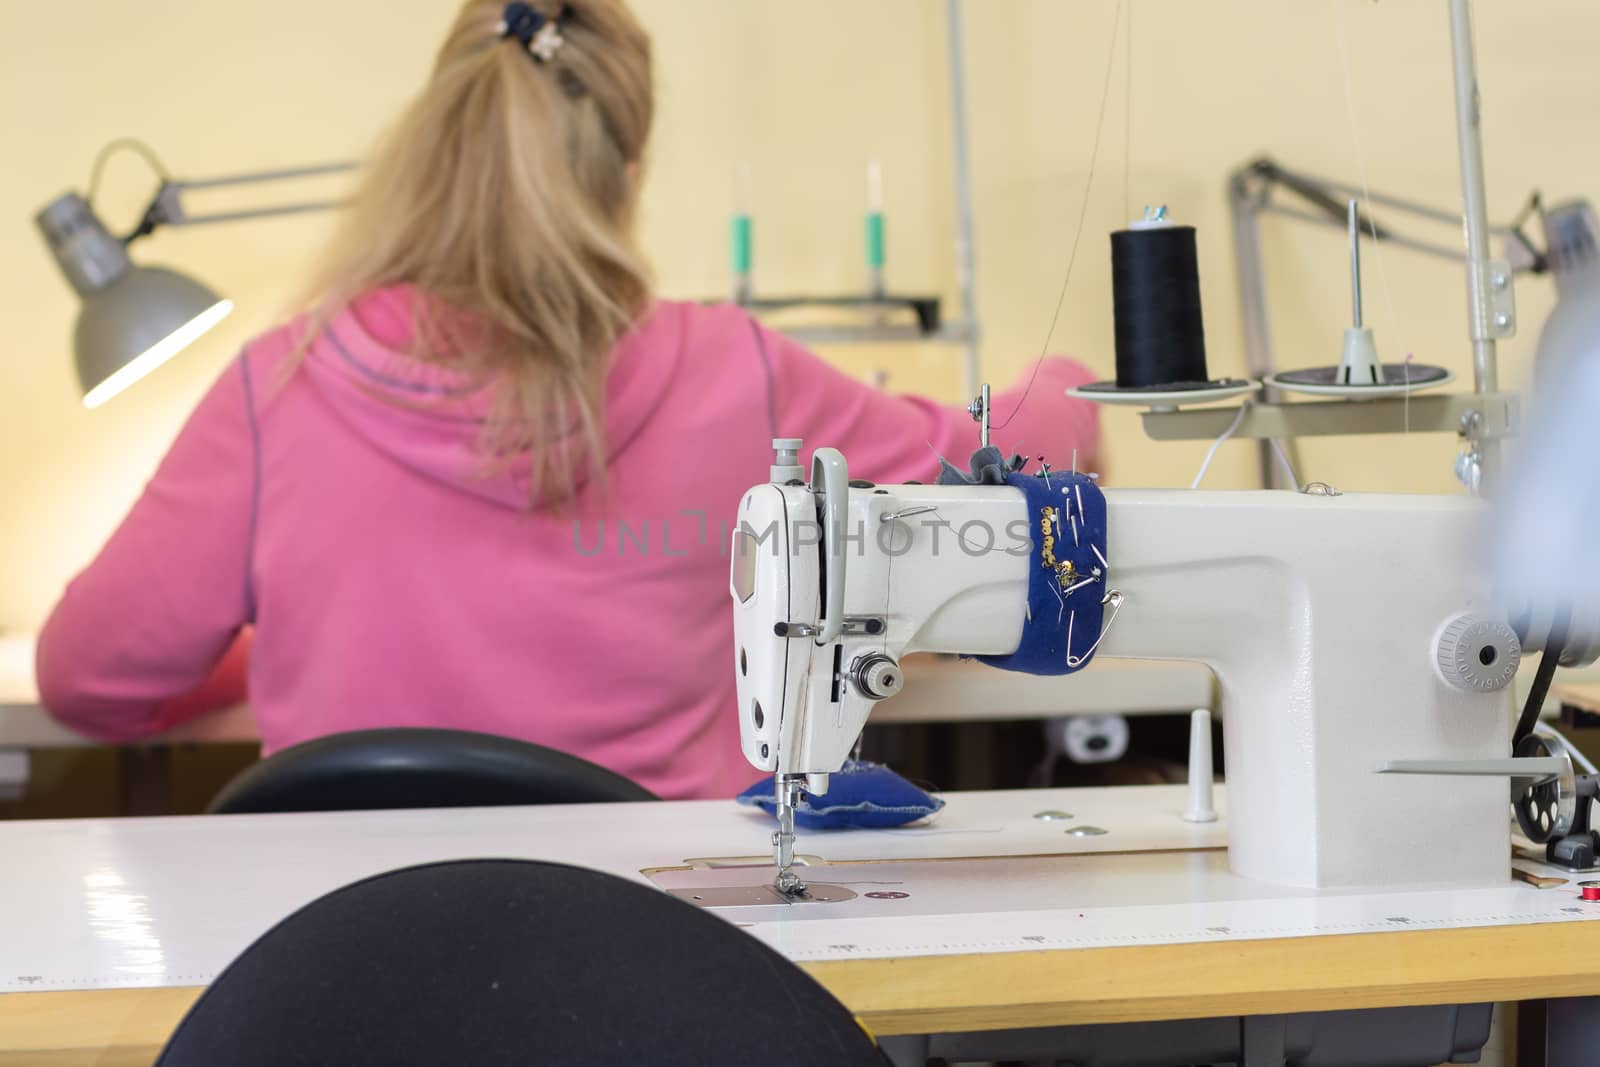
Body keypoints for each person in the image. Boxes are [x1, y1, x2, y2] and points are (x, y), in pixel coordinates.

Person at [36, 0, 1101, 800]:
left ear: (440, 152)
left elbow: (88, 680)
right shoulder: (736, 370)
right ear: (627, 171)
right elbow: (1008, 467)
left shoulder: (280, 385)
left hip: (351, 983)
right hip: (654, 978)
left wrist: (267, 648)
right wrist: (1066, 384)